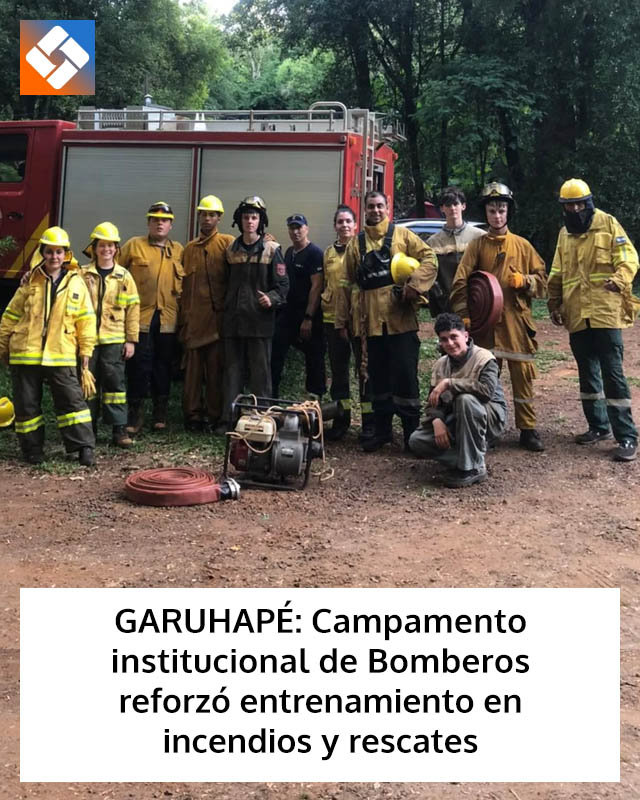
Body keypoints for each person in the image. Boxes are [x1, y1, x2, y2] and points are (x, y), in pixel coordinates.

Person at [335, 190, 438, 452]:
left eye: (380, 206)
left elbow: (430, 258)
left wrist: (415, 286)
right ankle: (381, 432)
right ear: (365, 209)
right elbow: (344, 285)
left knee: (405, 377)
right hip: (368, 325)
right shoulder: (355, 245)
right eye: (371, 206)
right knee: (375, 380)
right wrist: (341, 321)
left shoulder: (403, 236)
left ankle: (411, 434)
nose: (376, 211)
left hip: (401, 323)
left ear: (388, 207)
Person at [450, 181, 547, 452]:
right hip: (486, 326)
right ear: (486, 213)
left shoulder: (523, 246)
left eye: (502, 210)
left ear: (508, 212)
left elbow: (543, 282)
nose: (497, 215)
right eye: (492, 210)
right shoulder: (477, 246)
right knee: (485, 378)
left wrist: (526, 281)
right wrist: (465, 318)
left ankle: (527, 430)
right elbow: (461, 283)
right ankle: (487, 428)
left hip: (517, 324)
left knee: (522, 376)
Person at [548, 178, 639, 462]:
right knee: (587, 372)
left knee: (612, 373)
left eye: (579, 204)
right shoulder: (565, 234)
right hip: (576, 315)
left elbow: (629, 258)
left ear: (588, 203)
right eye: (568, 205)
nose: (574, 210)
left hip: (604, 313)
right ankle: (598, 427)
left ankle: (626, 436)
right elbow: (557, 272)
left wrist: (619, 279)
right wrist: (553, 302)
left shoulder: (608, 224)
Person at [0, 227, 96, 465]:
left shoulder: (77, 283)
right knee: (27, 405)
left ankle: (83, 448)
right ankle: (32, 450)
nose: (54, 256)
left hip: (61, 353)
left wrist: (85, 354)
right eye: (50, 252)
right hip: (25, 353)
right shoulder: (30, 281)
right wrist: (2, 347)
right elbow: (10, 316)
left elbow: (86, 321)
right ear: (42, 253)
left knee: (73, 403)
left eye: (59, 252)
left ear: (66, 255)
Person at [408, 313, 507, 487]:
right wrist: (437, 420)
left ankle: (471, 468)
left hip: (488, 418)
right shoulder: (441, 364)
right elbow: (433, 402)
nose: (450, 343)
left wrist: (449, 383)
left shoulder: (484, 358)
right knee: (417, 441)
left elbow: (486, 391)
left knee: (465, 399)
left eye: (454, 337)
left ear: (466, 336)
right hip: (455, 420)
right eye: (444, 339)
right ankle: (471, 456)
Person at [219, 196, 288, 428]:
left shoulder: (272, 249)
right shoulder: (231, 250)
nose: (250, 221)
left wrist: (272, 298)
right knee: (231, 373)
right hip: (234, 322)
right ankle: (229, 419)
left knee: (261, 375)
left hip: (259, 323)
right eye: (246, 217)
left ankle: (262, 420)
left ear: (261, 221)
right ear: (239, 221)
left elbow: (283, 285)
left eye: (254, 217)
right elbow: (225, 284)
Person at [119, 201, 184, 434]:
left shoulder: (178, 250)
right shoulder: (133, 246)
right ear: (148, 222)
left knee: (163, 366)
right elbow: (111, 269)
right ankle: (135, 416)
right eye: (155, 219)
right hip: (140, 318)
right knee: (138, 365)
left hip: (168, 318)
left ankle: (160, 414)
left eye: (164, 220)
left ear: (170, 225)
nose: (159, 223)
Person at [79, 222, 140, 448]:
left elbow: (133, 309)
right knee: (87, 386)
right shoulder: (81, 275)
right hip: (88, 341)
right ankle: (88, 431)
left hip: (114, 340)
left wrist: (131, 340)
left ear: (116, 249)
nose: (106, 249)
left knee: (115, 386)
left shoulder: (124, 276)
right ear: (94, 248)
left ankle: (119, 430)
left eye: (111, 245)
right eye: (102, 245)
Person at [179, 195, 234, 432]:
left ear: (219, 218)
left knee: (215, 371)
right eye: (204, 214)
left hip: (217, 323)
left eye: (212, 215)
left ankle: (213, 415)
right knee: (192, 374)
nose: (207, 218)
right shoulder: (189, 249)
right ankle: (192, 416)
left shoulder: (228, 243)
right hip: (193, 321)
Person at [321, 204, 373, 441]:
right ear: (335, 226)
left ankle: (369, 424)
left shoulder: (362, 250)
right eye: (340, 222)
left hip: (360, 321)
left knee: (364, 373)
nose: (344, 225)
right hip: (333, 320)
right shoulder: (328, 253)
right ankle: (341, 421)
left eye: (347, 221)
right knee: (339, 375)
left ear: (355, 225)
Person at [271, 213, 326, 400]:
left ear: (306, 229)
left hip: (308, 316)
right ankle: (271, 397)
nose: (295, 232)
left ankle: (314, 401)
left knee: (314, 358)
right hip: (288, 315)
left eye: (299, 228)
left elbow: (317, 286)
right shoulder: (289, 253)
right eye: (292, 228)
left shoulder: (315, 253)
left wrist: (309, 318)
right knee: (275, 354)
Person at [426, 186, 485, 315]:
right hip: (447, 307)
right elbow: (431, 277)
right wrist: (440, 300)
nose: (452, 208)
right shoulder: (433, 242)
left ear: (463, 206)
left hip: (479, 304)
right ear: (442, 208)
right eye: (448, 205)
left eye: (455, 204)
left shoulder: (480, 237)